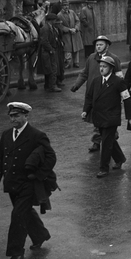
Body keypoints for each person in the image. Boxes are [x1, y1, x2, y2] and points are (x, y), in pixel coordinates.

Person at [1, 102, 56, 258]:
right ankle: (40, 235)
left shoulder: (37, 135)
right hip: (12, 183)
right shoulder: (6, 135)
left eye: (17, 116)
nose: (13, 120)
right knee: (25, 212)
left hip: (28, 184)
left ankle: (15, 252)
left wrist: (39, 175)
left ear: (26, 116)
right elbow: (1, 159)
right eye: (11, 116)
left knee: (18, 215)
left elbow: (51, 157)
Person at [81, 55, 131, 178]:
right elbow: (89, 97)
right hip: (99, 117)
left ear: (111, 68)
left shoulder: (118, 82)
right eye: (100, 66)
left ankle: (104, 168)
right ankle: (120, 158)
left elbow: (127, 99)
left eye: (105, 66)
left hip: (111, 117)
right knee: (108, 139)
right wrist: (85, 111)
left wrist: (130, 117)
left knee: (106, 141)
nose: (102, 69)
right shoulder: (96, 81)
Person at [36, 13, 61, 92]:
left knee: (49, 69)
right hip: (47, 52)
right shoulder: (45, 28)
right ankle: (52, 86)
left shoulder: (50, 27)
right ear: (51, 20)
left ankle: (48, 85)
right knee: (52, 69)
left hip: (48, 51)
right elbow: (44, 41)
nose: (55, 22)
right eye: (54, 20)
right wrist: (51, 50)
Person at [58, 0, 83, 69]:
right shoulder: (59, 15)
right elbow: (59, 26)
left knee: (76, 49)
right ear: (62, 6)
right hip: (66, 35)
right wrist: (68, 29)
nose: (66, 7)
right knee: (67, 50)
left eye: (67, 5)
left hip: (75, 33)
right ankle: (68, 63)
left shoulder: (72, 12)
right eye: (64, 5)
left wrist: (76, 28)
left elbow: (77, 21)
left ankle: (76, 62)